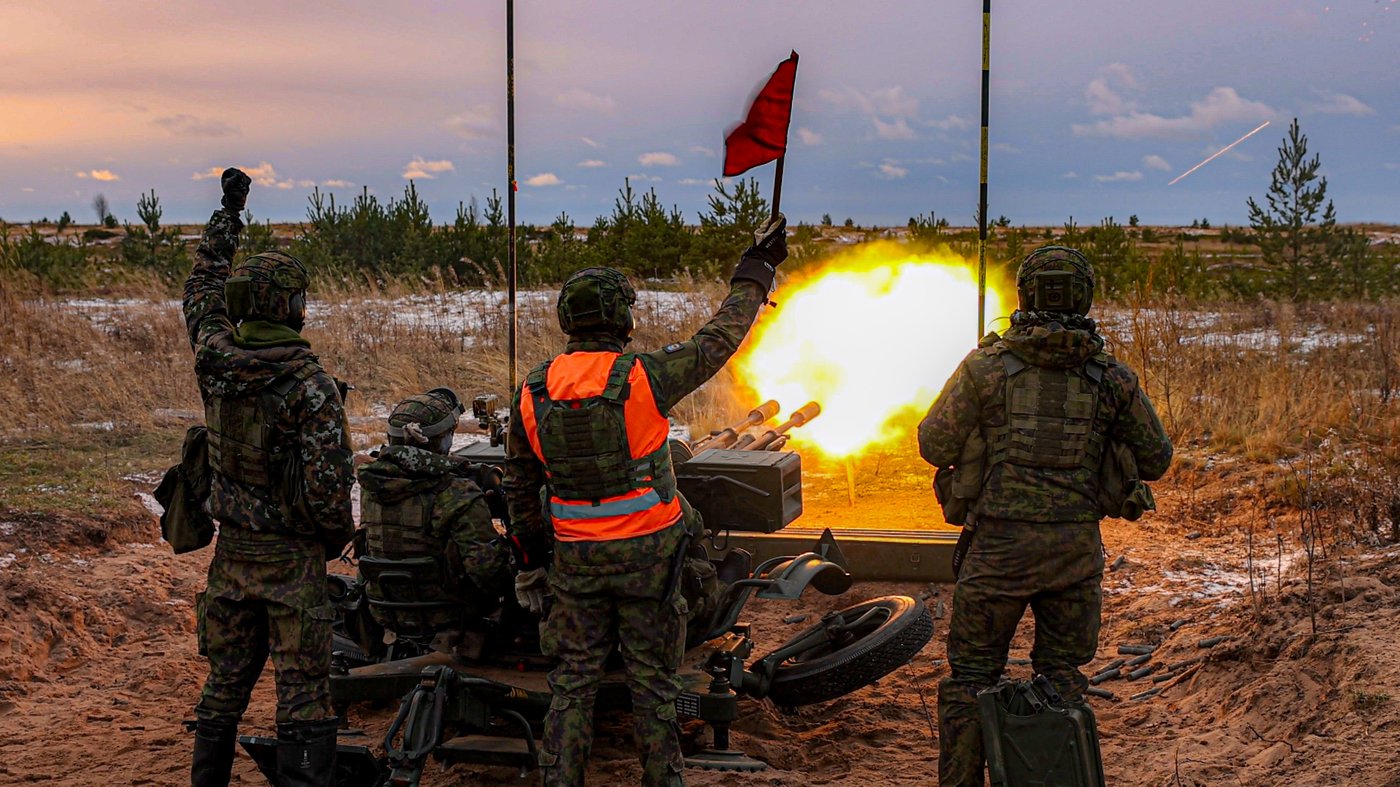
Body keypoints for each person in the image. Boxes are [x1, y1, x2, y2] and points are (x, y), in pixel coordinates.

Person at [503, 215, 788, 786]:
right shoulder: (644, 377)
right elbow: (719, 339)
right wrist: (755, 272)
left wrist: (532, 565)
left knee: (572, 685)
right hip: (650, 564)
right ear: (623, 318)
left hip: (576, 564)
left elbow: (518, 489)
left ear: (567, 320)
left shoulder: (532, 391)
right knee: (654, 687)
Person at [917, 246, 1173, 786]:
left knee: (970, 679)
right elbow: (1156, 459)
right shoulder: (1112, 379)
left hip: (997, 554)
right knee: (1061, 678)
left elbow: (934, 442)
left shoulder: (984, 367)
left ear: (1025, 295)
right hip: (1074, 557)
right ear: (1084, 297)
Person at [184, 168, 355, 787]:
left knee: (223, 688)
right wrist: (331, 542)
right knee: (304, 697)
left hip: (232, 558)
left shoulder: (214, 360)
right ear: (294, 309)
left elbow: (200, 285)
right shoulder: (309, 387)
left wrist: (229, 211)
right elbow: (331, 496)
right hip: (292, 565)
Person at [356, 388, 513, 640]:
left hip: (386, 611)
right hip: (453, 614)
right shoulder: (457, 492)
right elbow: (489, 573)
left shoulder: (372, 486)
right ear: (439, 441)